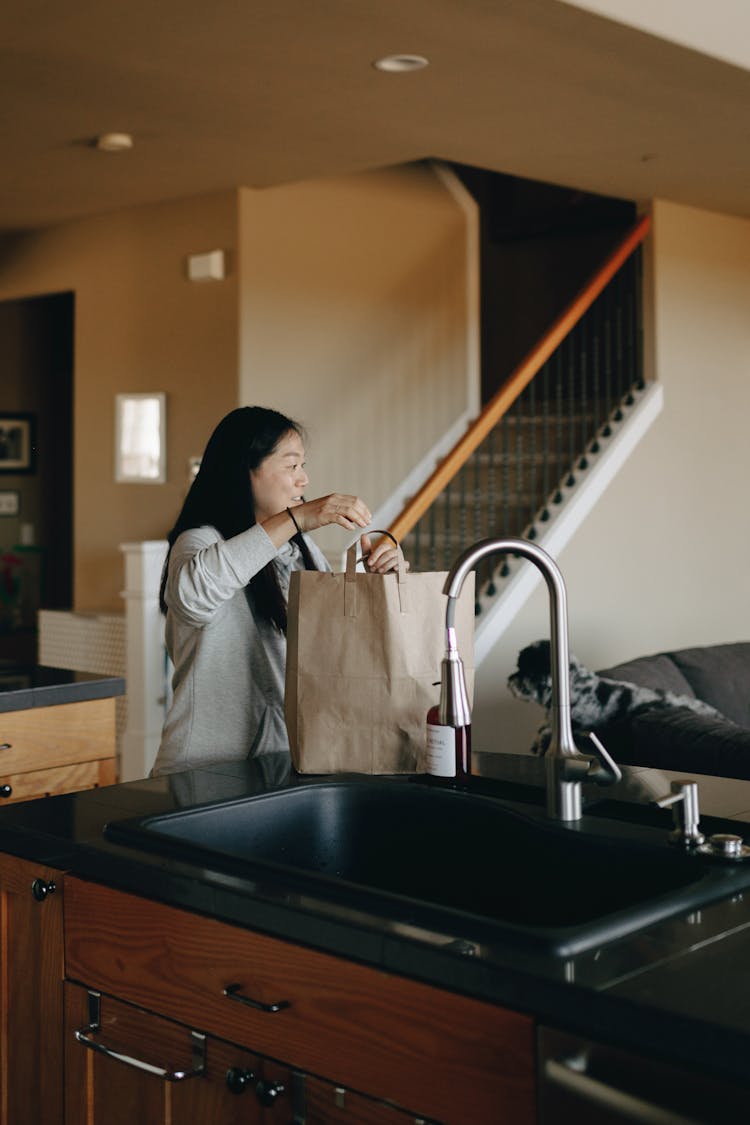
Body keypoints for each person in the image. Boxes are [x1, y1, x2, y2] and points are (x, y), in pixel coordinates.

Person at [152, 406, 402, 776]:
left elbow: (335, 643)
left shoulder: (302, 549)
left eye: (302, 466)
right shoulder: (199, 542)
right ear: (245, 471)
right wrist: (297, 519)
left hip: (286, 763)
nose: (304, 480)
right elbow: (193, 595)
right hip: (204, 773)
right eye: (291, 466)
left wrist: (381, 579)